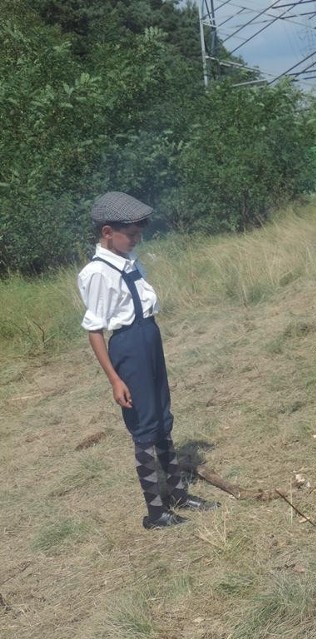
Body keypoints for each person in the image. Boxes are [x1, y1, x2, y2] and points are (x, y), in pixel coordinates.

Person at [77, 192, 218, 529]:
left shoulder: (130, 260)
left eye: (139, 234)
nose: (136, 239)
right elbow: (95, 329)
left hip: (150, 339)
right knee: (143, 427)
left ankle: (178, 493)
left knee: (161, 419)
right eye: (131, 234)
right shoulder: (97, 273)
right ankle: (156, 512)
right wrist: (115, 379)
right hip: (128, 347)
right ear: (108, 232)